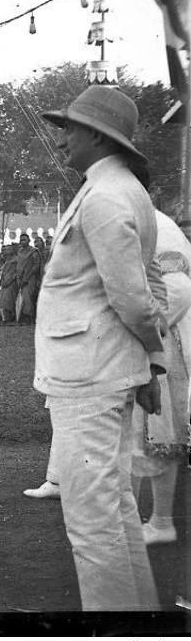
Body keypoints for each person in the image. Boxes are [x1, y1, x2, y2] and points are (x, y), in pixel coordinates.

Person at [33, 85, 163, 611]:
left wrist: (150, 355)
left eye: (68, 128)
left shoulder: (106, 195)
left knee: (92, 523)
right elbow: (147, 283)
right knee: (114, 512)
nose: (61, 139)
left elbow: (134, 297)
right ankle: (142, 635)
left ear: (95, 134)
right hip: (101, 370)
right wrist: (151, 364)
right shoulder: (118, 189)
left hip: (89, 377)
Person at [135, 210, 191, 546]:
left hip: (165, 345)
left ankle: (161, 521)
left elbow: (179, 289)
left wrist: (143, 333)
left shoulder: (156, 224)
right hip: (155, 342)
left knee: (158, 432)